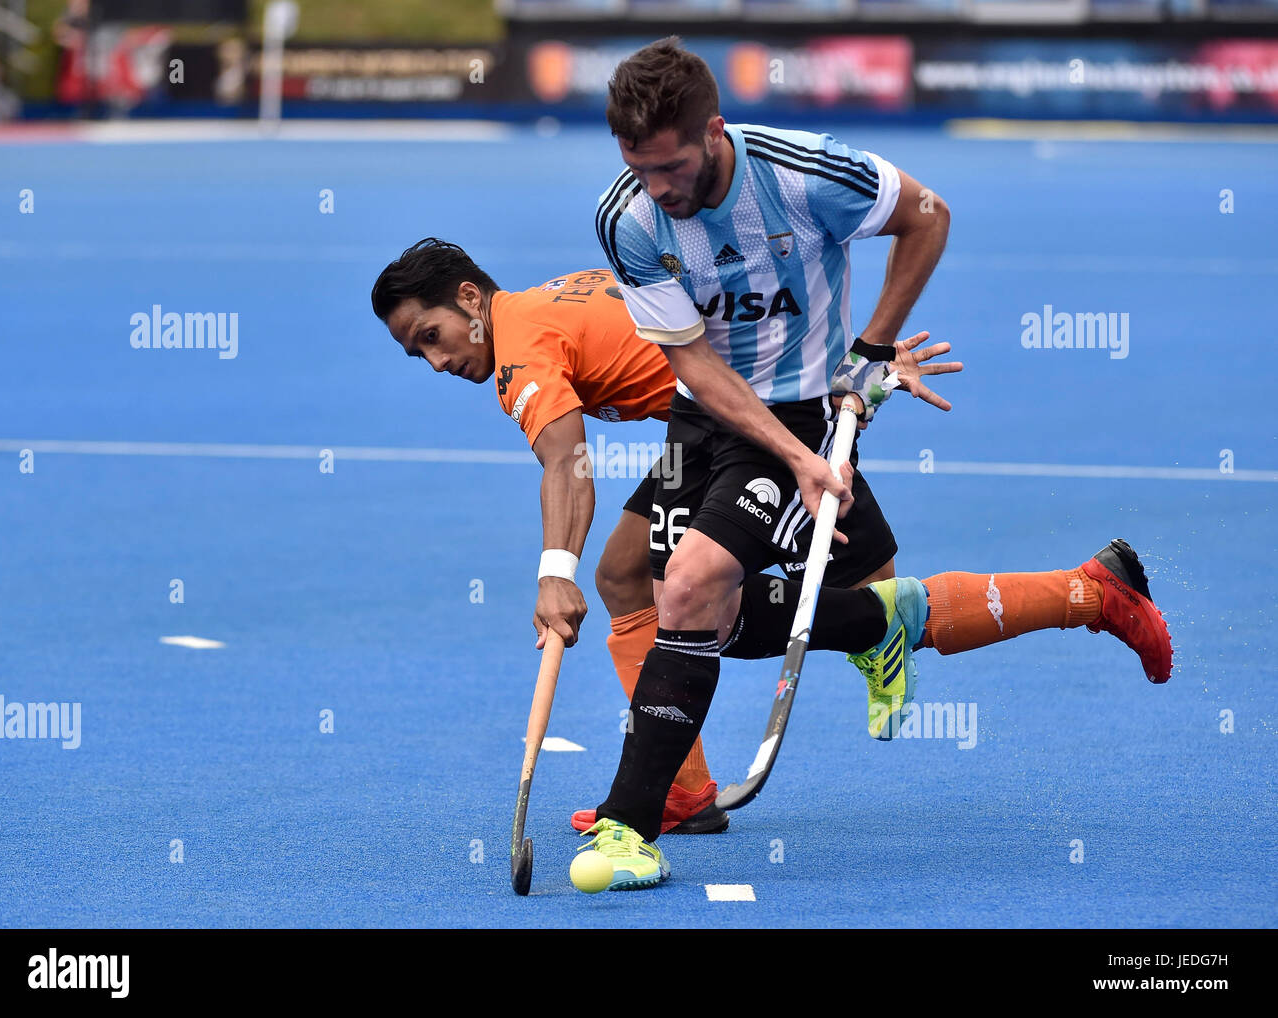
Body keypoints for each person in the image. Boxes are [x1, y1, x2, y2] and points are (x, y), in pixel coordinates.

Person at [572, 37, 1172, 891]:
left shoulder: (803, 172)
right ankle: (960, 610)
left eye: (670, 167)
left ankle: (633, 824)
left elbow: (928, 215)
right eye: (640, 167)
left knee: (690, 589)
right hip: (703, 418)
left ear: (712, 133)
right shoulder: (628, 218)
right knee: (679, 600)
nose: (658, 190)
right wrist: (789, 456)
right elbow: (695, 363)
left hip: (807, 408)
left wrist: (870, 350)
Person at [369, 238, 940, 834]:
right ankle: (682, 791)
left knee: (873, 599)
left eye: (432, 336)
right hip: (705, 428)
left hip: (763, 422)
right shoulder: (541, 303)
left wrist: (555, 577)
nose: (436, 362)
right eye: (418, 355)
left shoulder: (521, 354)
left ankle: (1002, 607)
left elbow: (568, 465)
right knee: (625, 574)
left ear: (469, 299)